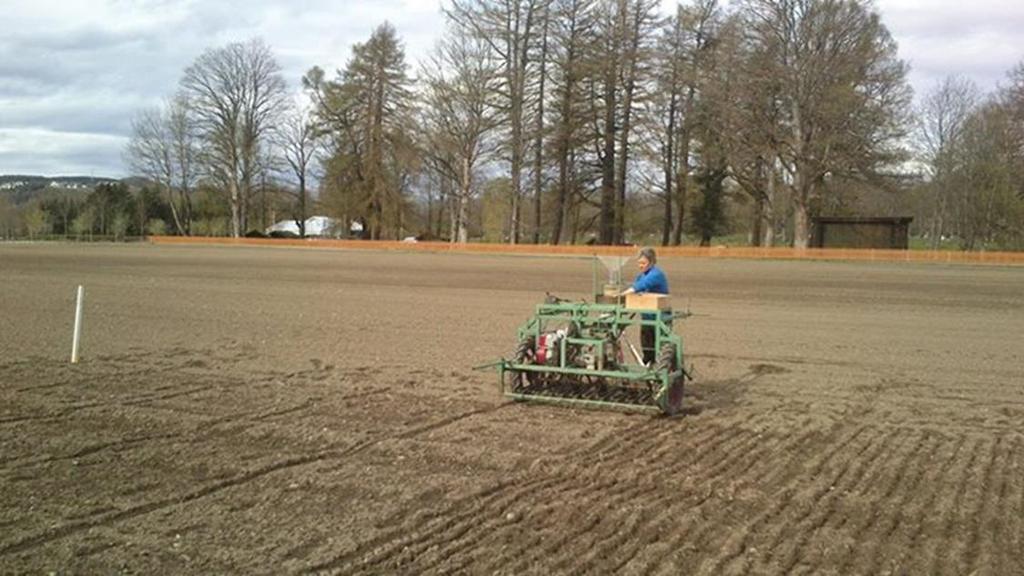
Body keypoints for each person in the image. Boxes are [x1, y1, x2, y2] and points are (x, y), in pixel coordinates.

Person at [620, 247, 670, 365]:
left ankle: (658, 366)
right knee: (647, 344)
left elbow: (640, 286)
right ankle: (648, 363)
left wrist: (622, 295)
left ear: (651, 262)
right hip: (647, 317)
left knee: (659, 346)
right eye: (639, 263)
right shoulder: (641, 276)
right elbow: (637, 290)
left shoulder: (656, 274)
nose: (640, 266)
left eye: (643, 263)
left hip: (660, 318)